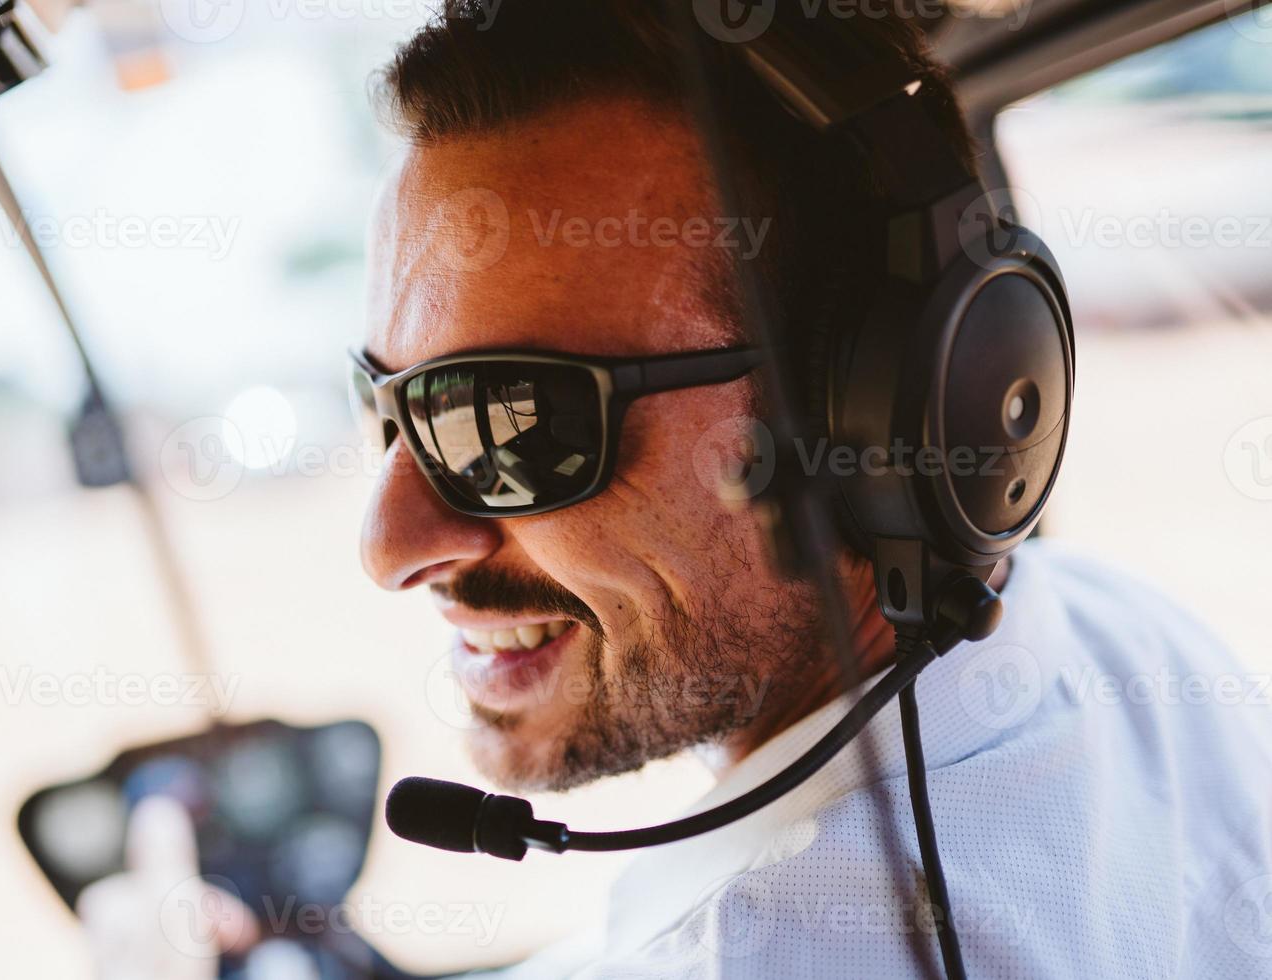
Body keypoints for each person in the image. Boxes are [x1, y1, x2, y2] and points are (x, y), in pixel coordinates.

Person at [86, 2, 1272, 976]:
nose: (390, 542)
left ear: (874, 415)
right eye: (389, 407)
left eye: (504, 421)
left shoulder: (747, 948)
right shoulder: (1112, 634)